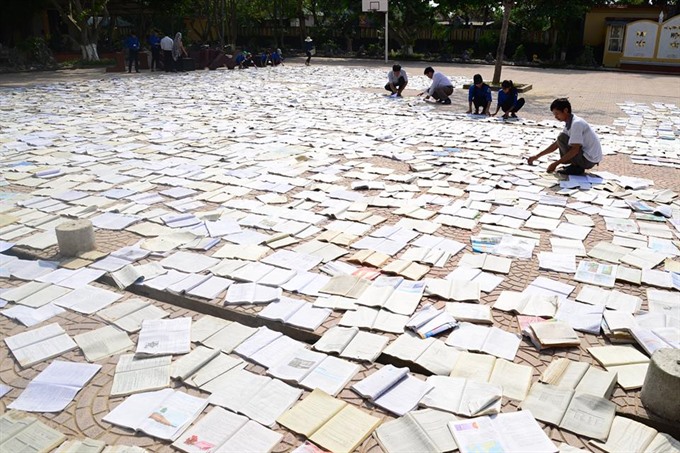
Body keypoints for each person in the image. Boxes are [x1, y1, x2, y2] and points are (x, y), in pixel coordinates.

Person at [527, 98, 603, 176]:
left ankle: (577, 167)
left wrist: (556, 164)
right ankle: (575, 165)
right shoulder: (570, 122)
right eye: (554, 114)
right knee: (562, 138)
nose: (556, 117)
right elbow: (556, 144)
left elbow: (575, 150)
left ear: (566, 110)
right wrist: (537, 156)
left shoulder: (576, 124)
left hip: (589, 160)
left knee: (562, 138)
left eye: (557, 114)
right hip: (588, 157)